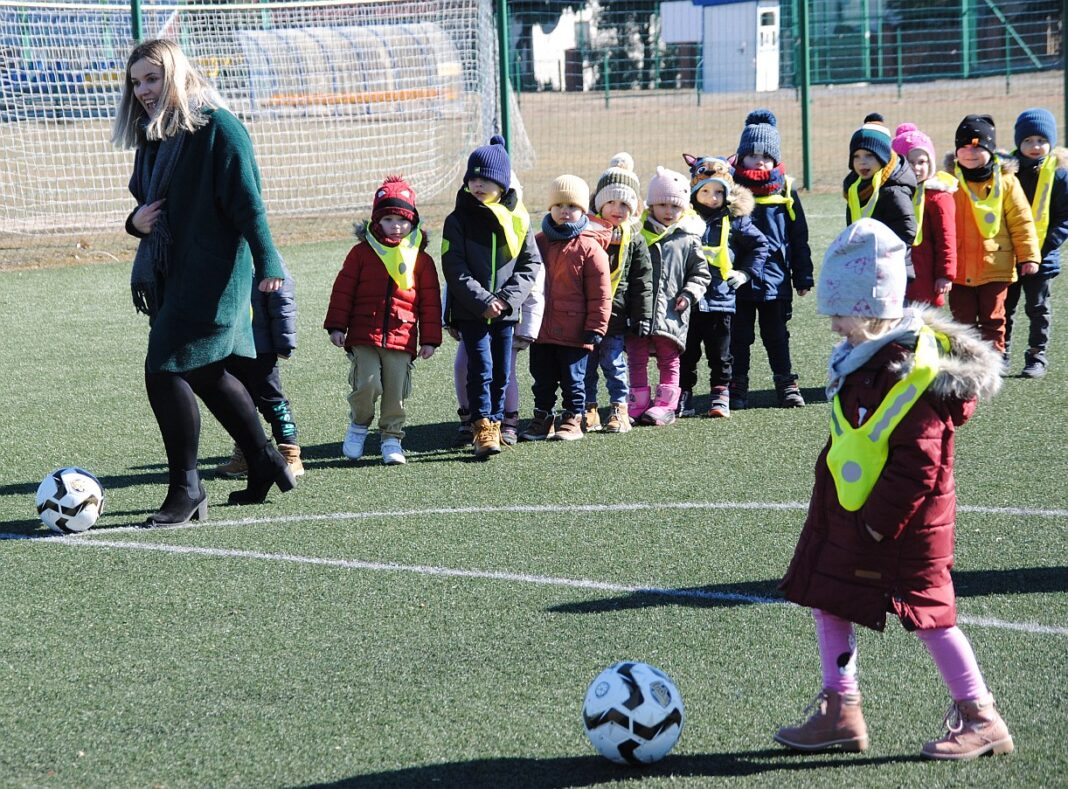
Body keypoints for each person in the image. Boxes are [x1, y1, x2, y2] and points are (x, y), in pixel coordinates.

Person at [775, 218, 1013, 760]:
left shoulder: (907, 371)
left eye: (837, 311)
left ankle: (981, 716)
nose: (832, 324)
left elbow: (919, 463)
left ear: (866, 307)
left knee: (931, 615)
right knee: (827, 595)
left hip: (899, 526)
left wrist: (880, 523)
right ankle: (841, 709)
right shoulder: (865, 361)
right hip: (854, 515)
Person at [113, 39, 295, 526]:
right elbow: (147, 207)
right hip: (174, 271)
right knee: (204, 372)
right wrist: (135, 224)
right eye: (136, 82)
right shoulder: (154, 134)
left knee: (164, 369)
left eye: (152, 78)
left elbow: (249, 203)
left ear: (175, 73)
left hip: (216, 274)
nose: (143, 90)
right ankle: (263, 458)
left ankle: (186, 489)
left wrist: (269, 263)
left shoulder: (219, 126)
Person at [324, 175, 442, 465]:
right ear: (377, 221)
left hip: (402, 338)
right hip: (364, 334)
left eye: (402, 220)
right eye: (388, 219)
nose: (396, 226)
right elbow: (343, 290)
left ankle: (391, 438)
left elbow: (430, 300)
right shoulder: (361, 253)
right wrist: (337, 326)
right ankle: (358, 425)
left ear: (413, 222)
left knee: (395, 392)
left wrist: (429, 339)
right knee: (367, 384)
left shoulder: (421, 259)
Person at [441, 136, 542, 457]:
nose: (478, 184)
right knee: (480, 368)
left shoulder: (518, 219)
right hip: (472, 311)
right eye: (473, 178)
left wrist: (507, 299)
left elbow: (531, 264)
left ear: (502, 184)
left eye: (486, 179)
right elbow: (454, 266)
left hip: (505, 313)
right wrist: (484, 300)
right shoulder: (456, 220)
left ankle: (497, 422)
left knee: (502, 370)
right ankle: (481, 426)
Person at [730, 109, 813, 409]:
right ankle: (736, 385)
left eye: (766, 155)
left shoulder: (786, 189)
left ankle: (786, 383)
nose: (759, 160)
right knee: (738, 338)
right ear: (740, 157)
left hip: (777, 281)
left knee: (777, 336)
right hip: (738, 281)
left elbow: (798, 236)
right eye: (752, 154)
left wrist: (803, 275)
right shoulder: (731, 190)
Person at [518, 175, 611, 441]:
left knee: (574, 380)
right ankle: (543, 417)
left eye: (572, 206)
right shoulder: (538, 242)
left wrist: (596, 326)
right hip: (542, 329)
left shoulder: (590, 247)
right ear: (550, 209)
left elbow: (601, 293)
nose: (565, 211)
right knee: (542, 379)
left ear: (583, 210)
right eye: (559, 205)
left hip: (575, 332)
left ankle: (573, 418)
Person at [947, 114, 1040, 363]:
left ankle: (993, 362)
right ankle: (964, 363)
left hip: (995, 267)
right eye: (964, 146)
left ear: (990, 149)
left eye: (978, 147)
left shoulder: (1007, 182)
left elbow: (1021, 220)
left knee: (994, 318)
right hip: (959, 269)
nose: (970, 153)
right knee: (962, 321)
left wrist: (1029, 255)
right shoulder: (948, 182)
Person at [680, 155, 768, 418]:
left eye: (719, 191)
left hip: (721, 299)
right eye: (705, 191)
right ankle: (683, 395)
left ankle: (720, 395)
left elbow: (760, 246)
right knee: (687, 351)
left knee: (721, 353)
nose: (712, 197)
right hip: (688, 301)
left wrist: (746, 272)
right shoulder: (683, 218)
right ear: (694, 191)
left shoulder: (736, 220)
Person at [627, 166, 711, 426]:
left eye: (674, 206)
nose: (668, 211)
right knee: (636, 358)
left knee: (669, 359)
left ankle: (666, 404)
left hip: (671, 314)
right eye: (662, 204)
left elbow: (701, 274)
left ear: (683, 208)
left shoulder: (688, 239)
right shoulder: (637, 235)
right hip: (638, 313)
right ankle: (637, 402)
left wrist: (688, 294)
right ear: (651, 205)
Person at [583, 153, 653, 434]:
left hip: (616, 317)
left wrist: (642, 316)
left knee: (613, 363)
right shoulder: (585, 234)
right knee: (585, 367)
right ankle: (587, 408)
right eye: (611, 201)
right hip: (586, 318)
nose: (617, 208)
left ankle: (618, 409)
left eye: (625, 203)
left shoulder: (635, 239)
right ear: (599, 202)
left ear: (634, 208)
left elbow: (642, 281)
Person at [216, 261, 303, 479]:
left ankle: (290, 454)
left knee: (271, 400)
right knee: (237, 403)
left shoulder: (264, 255)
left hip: (259, 346)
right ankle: (246, 455)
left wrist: (284, 342)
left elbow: (283, 299)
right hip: (228, 345)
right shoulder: (217, 249)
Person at [1007, 108, 1068, 378]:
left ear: (1051, 143)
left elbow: (1065, 217)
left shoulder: (1060, 174)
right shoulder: (1005, 171)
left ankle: (1036, 355)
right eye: (1028, 141)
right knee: (1004, 308)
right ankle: (1001, 354)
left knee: (1038, 308)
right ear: (1018, 142)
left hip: (1043, 257)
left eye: (1041, 141)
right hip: (1007, 256)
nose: (1035, 146)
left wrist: (1046, 246)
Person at [891, 123, 958, 308]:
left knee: (923, 331)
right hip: (895, 280)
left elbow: (947, 238)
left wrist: (945, 275)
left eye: (922, 162)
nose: (916, 168)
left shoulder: (938, 197)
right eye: (909, 162)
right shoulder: (892, 193)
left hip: (926, 281)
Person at [843, 116, 917, 249]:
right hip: (865, 264)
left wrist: (885, 256)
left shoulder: (894, 191)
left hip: (891, 266)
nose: (862, 162)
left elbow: (907, 232)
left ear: (883, 158)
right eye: (856, 156)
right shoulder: (854, 189)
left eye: (869, 155)